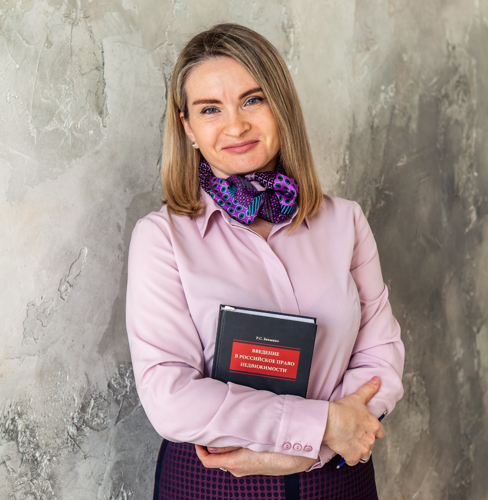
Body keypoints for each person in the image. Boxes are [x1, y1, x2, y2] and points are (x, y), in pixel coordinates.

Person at [126, 23, 405, 500]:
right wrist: (321, 426)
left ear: (281, 107)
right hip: (214, 484)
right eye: (210, 109)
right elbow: (170, 396)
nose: (235, 126)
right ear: (188, 127)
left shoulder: (346, 222)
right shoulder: (161, 239)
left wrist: (314, 449)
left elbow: (381, 357)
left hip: (339, 478)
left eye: (252, 100)